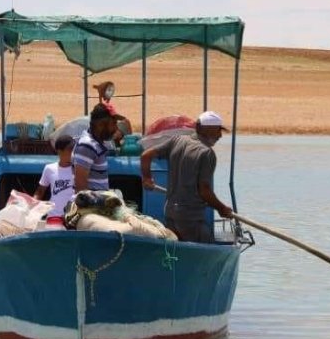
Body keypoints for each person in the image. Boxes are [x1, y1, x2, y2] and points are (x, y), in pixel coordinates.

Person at [140, 111, 234, 243]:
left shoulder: (177, 140)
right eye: (218, 130)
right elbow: (204, 191)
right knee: (204, 247)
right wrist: (221, 208)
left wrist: (147, 178)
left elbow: (146, 155)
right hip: (190, 217)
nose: (220, 136)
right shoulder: (207, 153)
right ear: (207, 129)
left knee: (175, 250)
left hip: (170, 211)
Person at [73, 103, 119, 192]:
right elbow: (81, 188)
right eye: (113, 124)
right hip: (91, 205)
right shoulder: (87, 146)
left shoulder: (97, 144)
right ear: (100, 125)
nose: (116, 128)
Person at [33, 135, 76, 220]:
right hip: (53, 217)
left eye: (74, 149)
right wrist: (31, 206)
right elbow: (40, 191)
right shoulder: (49, 169)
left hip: (73, 218)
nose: (73, 152)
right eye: (70, 149)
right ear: (59, 151)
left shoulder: (78, 169)